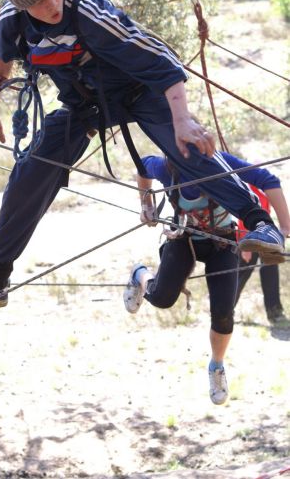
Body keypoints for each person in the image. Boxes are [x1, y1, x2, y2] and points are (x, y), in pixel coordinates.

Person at [0, 0, 285, 316]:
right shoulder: (13, 21)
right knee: (30, 171)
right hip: (83, 105)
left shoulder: (87, 11)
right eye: (40, 2)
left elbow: (160, 62)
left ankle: (261, 225)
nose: (52, 4)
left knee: (187, 148)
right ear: (23, 5)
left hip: (140, 92)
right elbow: (0, 59)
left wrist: (182, 119)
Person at [123, 153, 290, 405]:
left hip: (222, 242)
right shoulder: (167, 167)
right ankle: (139, 273)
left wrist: (285, 227)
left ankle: (216, 366)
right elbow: (142, 167)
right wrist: (146, 205)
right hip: (183, 238)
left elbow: (268, 179)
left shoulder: (221, 163)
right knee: (161, 298)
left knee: (223, 312)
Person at [235, 185, 289, 325]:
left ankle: (274, 312)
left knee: (271, 272)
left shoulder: (264, 189)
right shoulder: (246, 187)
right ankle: (226, 309)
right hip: (249, 239)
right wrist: (245, 246)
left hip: (266, 238)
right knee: (240, 275)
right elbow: (243, 216)